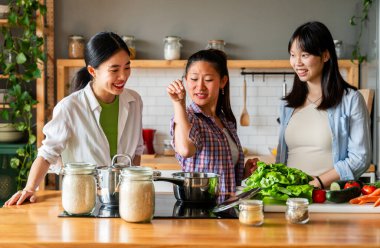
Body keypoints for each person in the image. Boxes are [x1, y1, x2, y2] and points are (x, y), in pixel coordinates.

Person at [4, 31, 144, 206]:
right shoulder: (70, 107)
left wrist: (135, 185)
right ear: (93, 71)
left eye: (127, 67)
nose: (123, 76)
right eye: (114, 69)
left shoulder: (134, 101)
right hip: (82, 199)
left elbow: (136, 151)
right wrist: (29, 189)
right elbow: (47, 154)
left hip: (124, 200)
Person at [276, 21, 371, 189]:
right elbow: (282, 159)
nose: (297, 62)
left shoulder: (351, 100)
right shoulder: (287, 106)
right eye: (292, 54)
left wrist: (317, 183)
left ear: (325, 56)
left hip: (328, 197)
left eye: (304, 55)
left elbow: (360, 158)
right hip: (290, 199)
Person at [167, 49, 257, 198]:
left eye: (208, 80)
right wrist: (178, 103)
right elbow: (185, 150)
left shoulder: (226, 122)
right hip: (201, 214)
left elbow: (226, 178)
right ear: (186, 80)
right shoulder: (186, 117)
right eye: (194, 79)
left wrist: (245, 173)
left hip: (227, 213)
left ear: (223, 82)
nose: (200, 86)